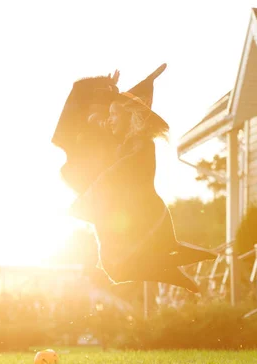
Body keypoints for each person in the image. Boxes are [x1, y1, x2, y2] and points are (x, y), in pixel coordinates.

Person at [67, 66, 215, 293]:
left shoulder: (142, 143)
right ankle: (170, 270)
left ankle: (171, 268)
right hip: (126, 212)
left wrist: (99, 184)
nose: (110, 120)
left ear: (130, 117)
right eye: (110, 115)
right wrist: (106, 92)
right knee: (115, 266)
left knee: (122, 263)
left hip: (141, 213)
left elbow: (127, 166)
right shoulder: (122, 139)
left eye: (115, 115)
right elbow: (97, 123)